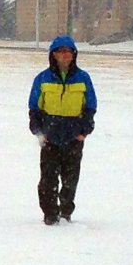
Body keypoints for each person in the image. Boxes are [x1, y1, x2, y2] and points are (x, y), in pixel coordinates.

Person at [28, 35, 97, 225]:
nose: (64, 56)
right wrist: (39, 131)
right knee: (48, 179)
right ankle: (50, 213)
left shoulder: (83, 78)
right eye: (60, 52)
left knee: (70, 179)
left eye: (68, 52)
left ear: (74, 54)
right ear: (53, 55)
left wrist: (84, 131)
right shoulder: (42, 79)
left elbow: (90, 107)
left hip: (74, 138)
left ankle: (66, 211)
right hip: (50, 138)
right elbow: (34, 108)